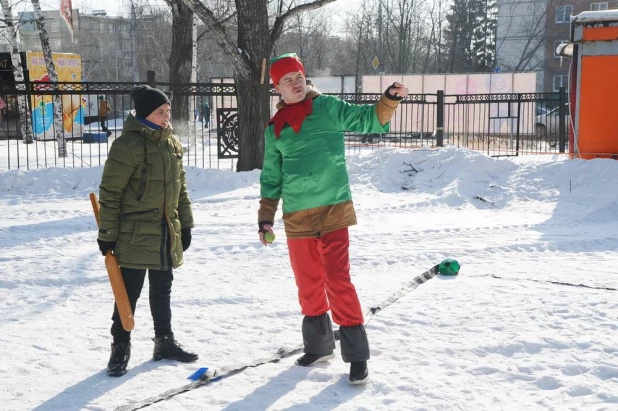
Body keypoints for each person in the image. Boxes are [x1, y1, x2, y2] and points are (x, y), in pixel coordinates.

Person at [258, 53, 408, 385]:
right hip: (297, 217)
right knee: (308, 283)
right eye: (288, 80)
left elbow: (370, 120)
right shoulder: (274, 129)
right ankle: (319, 346)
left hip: (333, 211)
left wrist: (389, 100)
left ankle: (357, 356)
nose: (296, 83)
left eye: (299, 76)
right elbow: (271, 178)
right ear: (277, 88)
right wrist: (265, 218)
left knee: (338, 281)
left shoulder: (327, 108)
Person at [97, 85, 198, 377]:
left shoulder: (172, 144)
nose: (167, 116)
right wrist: (107, 234)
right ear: (144, 115)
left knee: (162, 289)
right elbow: (111, 193)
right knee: (127, 294)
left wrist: (187, 224)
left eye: (168, 111)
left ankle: (164, 342)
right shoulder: (126, 145)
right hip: (134, 233)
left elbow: (181, 190)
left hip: (167, 230)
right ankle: (120, 347)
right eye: (160, 112)